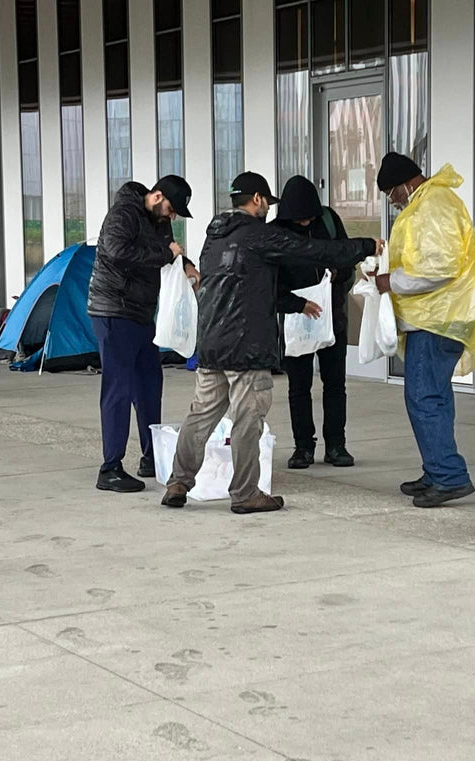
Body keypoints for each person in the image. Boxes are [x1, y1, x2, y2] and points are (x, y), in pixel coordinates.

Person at [161, 172, 382, 514]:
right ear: (258, 200)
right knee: (248, 420)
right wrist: (365, 247)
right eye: (267, 202)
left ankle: (178, 481)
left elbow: (255, 287)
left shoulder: (214, 237)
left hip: (212, 344)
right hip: (246, 347)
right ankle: (246, 493)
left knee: (201, 415)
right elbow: (312, 250)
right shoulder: (260, 235)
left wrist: (297, 304)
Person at [371, 152, 475, 509]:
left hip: (438, 318)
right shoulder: (431, 202)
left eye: (393, 192)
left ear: (408, 182)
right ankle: (436, 469)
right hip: (439, 316)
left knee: (423, 397)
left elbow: (438, 267)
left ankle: (448, 476)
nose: (392, 201)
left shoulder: (432, 205)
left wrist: (389, 281)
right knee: (434, 396)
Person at [88, 174, 200, 493]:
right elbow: (115, 251)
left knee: (149, 384)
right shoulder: (122, 214)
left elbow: (168, 249)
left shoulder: (158, 221)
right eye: (171, 209)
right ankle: (110, 468)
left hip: (140, 312)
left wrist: (186, 264)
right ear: (156, 197)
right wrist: (167, 256)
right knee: (118, 389)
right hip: (112, 310)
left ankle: (152, 457)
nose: (172, 217)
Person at [274, 175, 356, 470]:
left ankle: (336, 445)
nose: (306, 223)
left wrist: (338, 274)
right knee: (298, 386)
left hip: (332, 317)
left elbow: (348, 257)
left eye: (310, 218)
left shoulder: (330, 221)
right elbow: (270, 283)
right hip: (297, 320)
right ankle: (303, 447)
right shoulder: (276, 232)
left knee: (335, 384)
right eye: (300, 220)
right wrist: (296, 304)